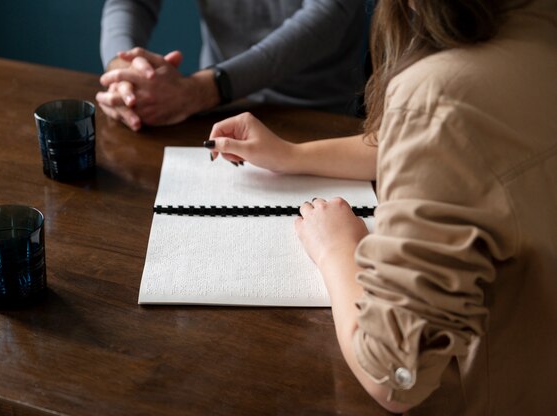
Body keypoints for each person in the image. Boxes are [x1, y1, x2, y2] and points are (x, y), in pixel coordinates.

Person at [203, 0, 557, 413]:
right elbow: (456, 138)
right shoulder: (538, 27)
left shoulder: (437, 95)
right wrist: (291, 155)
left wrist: (337, 247)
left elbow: (393, 376)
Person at [97, 0, 368, 130]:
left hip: (317, 115)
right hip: (215, 110)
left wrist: (201, 90)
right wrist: (123, 71)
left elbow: (328, 15)